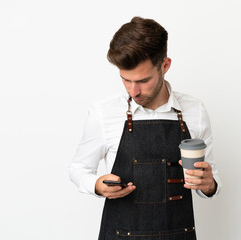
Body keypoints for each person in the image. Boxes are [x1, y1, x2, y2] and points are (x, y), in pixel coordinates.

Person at [69, 16, 221, 240]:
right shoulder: (103, 113)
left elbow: (209, 181)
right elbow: (78, 167)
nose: (133, 91)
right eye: (125, 79)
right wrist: (96, 185)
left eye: (142, 80)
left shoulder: (194, 111)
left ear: (165, 66)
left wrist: (209, 184)